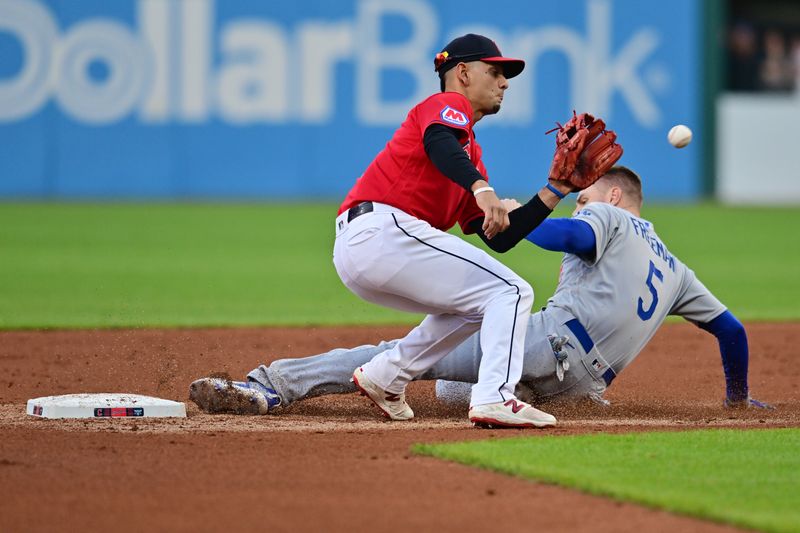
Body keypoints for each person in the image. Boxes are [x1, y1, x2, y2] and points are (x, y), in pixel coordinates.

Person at [191, 33, 582, 429]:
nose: (504, 82)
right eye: (494, 71)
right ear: (462, 73)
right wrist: (481, 188)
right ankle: (495, 396)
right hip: (383, 231)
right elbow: (438, 140)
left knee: (480, 303)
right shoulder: (446, 106)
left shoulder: (469, 156)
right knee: (513, 291)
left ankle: (386, 375)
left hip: (370, 247)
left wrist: (556, 191)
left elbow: (499, 237)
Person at [189, 167, 771, 416]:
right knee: (449, 385)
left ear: (614, 198)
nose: (582, 201)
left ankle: (269, 386)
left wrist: (522, 218)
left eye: (587, 195)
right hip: (574, 388)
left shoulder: (611, 220)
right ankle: (471, 394)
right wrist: (738, 399)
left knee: (397, 357)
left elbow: (565, 232)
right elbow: (732, 332)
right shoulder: (677, 271)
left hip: (543, 347)